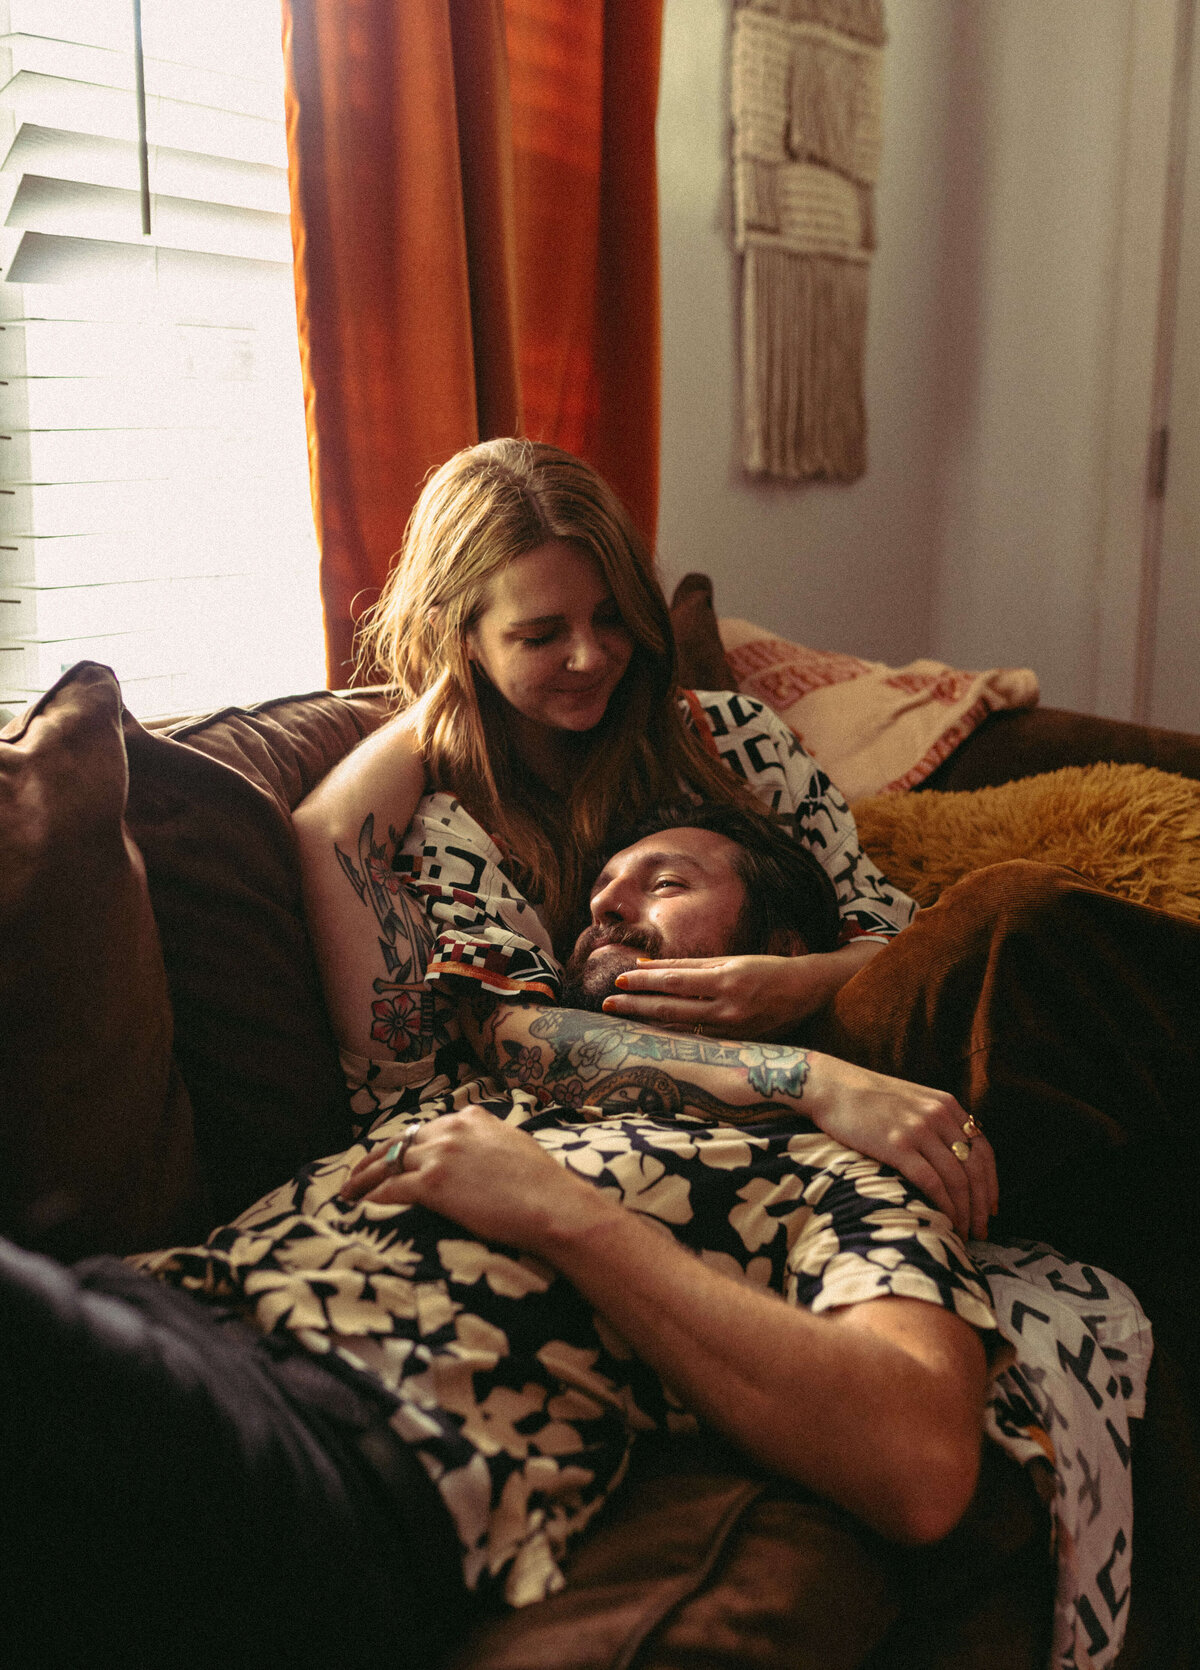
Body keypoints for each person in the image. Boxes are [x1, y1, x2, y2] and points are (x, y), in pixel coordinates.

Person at [0, 805, 1001, 1668]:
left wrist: (560, 1211)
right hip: (157, 1302)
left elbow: (918, 1463)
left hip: (341, 1439)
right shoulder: (487, 1064)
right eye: (601, 887)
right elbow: (337, 827)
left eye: (665, 881)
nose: (607, 905)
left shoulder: (825, 1162)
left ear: (781, 944)